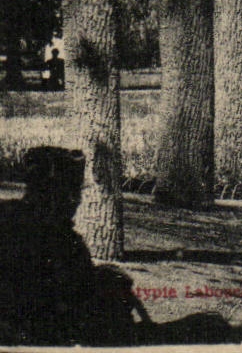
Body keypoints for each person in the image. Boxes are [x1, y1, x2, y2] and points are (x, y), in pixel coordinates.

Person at [0, 147, 141, 345]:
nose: (75, 201)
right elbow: (71, 302)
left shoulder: (8, 215)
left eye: (76, 192)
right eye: (70, 192)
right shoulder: (65, 242)